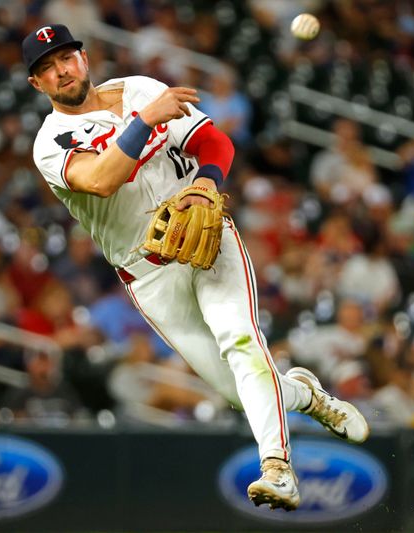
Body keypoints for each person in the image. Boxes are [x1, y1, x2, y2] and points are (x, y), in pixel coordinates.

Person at [22, 23, 369, 511]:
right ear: (36, 84)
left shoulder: (141, 88)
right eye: (46, 68)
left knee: (242, 340)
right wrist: (144, 121)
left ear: (84, 56)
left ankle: (276, 468)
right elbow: (100, 180)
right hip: (149, 273)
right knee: (238, 390)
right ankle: (307, 397)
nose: (60, 70)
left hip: (207, 234)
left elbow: (215, 143)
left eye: (65, 58)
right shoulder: (49, 142)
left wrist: (207, 183)